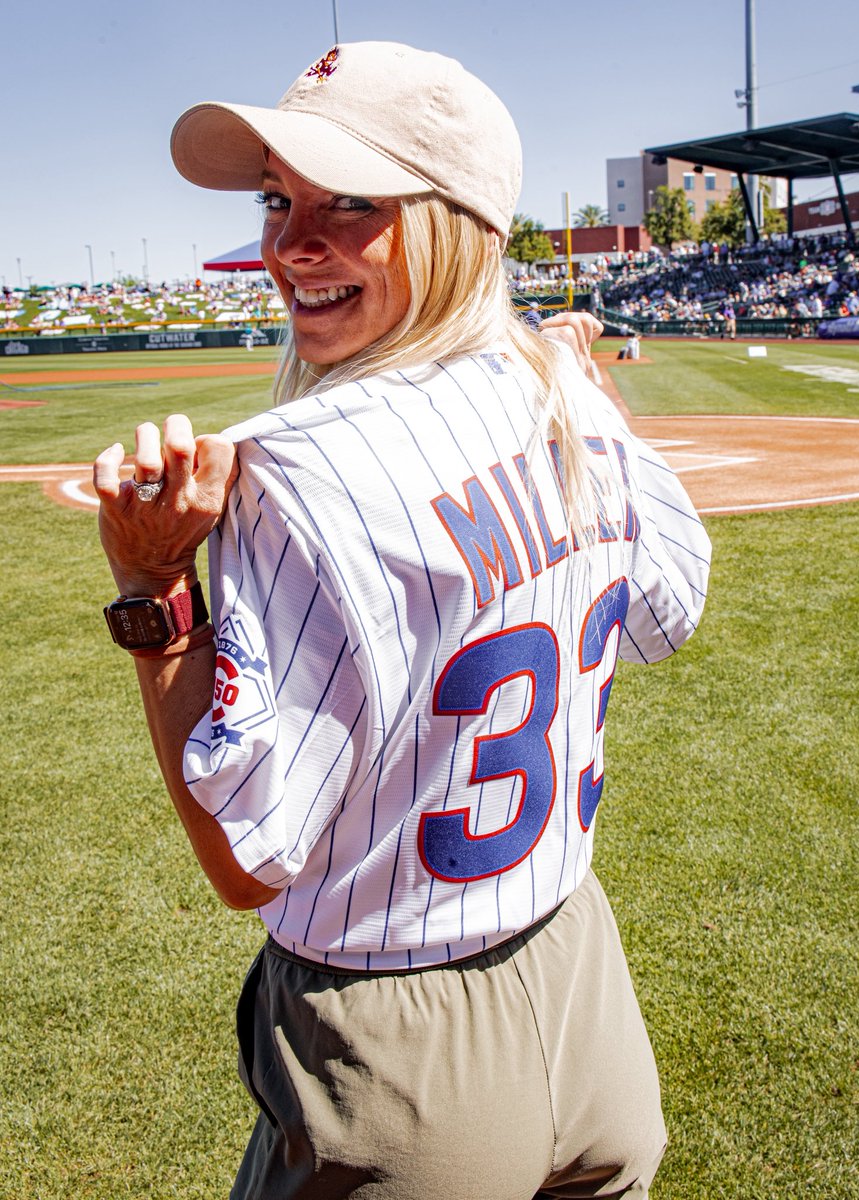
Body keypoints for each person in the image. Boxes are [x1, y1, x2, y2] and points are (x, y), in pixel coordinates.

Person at [94, 41, 710, 1199]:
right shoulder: (564, 394)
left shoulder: (293, 471)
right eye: (280, 199)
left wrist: (155, 592)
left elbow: (247, 862)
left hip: (393, 1053)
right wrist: (581, 385)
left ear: (459, 225)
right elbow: (668, 611)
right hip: (587, 996)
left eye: (351, 204)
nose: (290, 244)